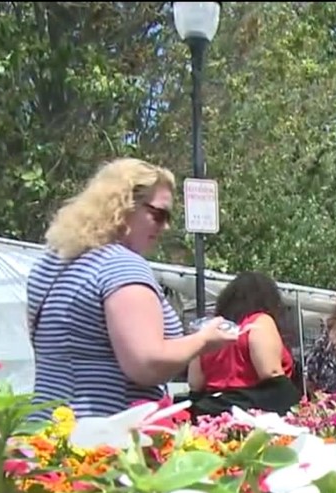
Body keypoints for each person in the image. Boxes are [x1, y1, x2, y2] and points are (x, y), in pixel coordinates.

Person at [27, 158, 237, 418]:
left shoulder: (50, 265)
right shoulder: (122, 267)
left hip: (45, 431)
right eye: (159, 214)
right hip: (107, 438)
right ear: (124, 206)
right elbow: (147, 364)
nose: (165, 226)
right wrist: (204, 340)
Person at [187, 271, 302, 416]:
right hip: (251, 415)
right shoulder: (260, 322)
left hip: (211, 412)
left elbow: (195, 383)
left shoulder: (210, 331)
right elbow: (271, 372)